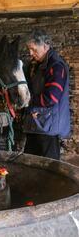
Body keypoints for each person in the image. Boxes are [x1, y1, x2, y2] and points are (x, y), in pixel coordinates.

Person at [23, 28, 70, 160]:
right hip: (37, 125)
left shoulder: (56, 66)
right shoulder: (37, 65)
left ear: (45, 45)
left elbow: (52, 98)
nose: (30, 53)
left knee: (49, 170)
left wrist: (28, 101)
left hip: (48, 128)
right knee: (29, 165)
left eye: (33, 49)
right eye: (29, 49)